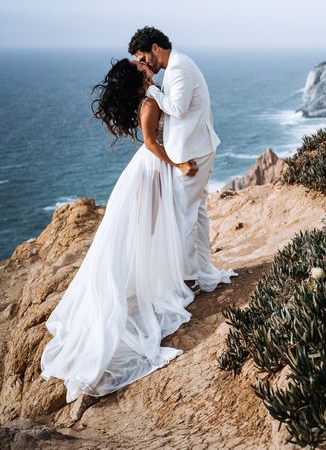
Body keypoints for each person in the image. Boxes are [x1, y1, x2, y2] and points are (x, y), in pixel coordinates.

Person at [40, 58, 235, 403]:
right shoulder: (147, 103)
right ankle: (158, 283)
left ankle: (165, 275)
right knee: (147, 231)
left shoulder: (150, 97)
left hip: (150, 172)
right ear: (139, 78)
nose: (146, 65)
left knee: (153, 232)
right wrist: (179, 163)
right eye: (141, 67)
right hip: (149, 173)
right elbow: (150, 142)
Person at [129, 26, 234, 294]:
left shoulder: (178, 68)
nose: (143, 63)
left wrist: (151, 91)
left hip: (193, 151)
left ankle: (189, 279)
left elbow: (178, 108)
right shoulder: (178, 65)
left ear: (155, 48)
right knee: (196, 212)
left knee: (184, 214)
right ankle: (202, 268)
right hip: (194, 146)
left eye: (143, 57)